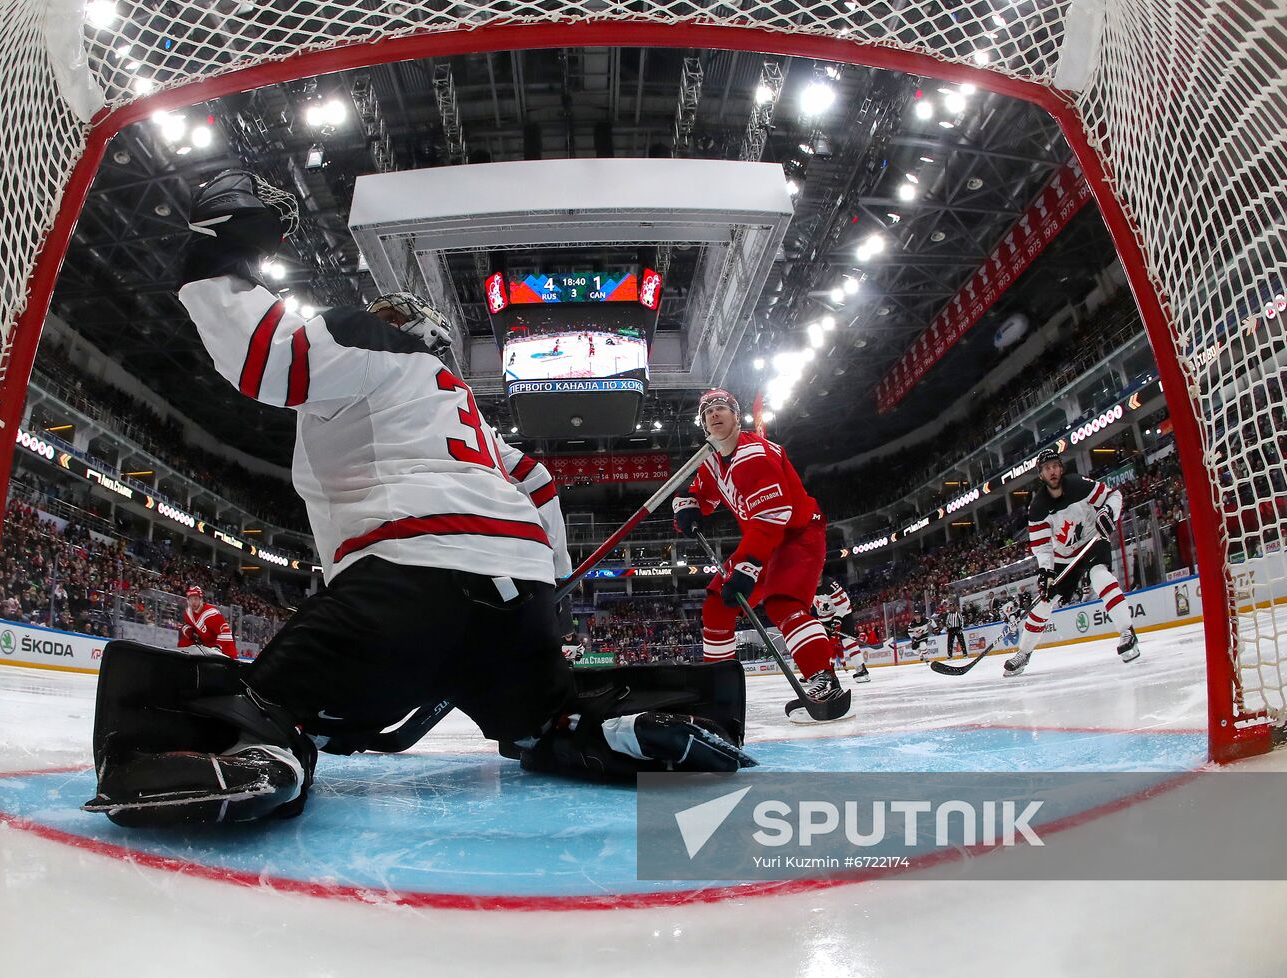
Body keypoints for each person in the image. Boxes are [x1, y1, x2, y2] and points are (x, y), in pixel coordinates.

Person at [84, 171, 752, 827]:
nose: (379, 314)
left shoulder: (363, 342)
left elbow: (263, 356)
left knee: (271, 703)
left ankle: (265, 751)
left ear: (405, 329)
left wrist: (221, 241)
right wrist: (549, 592)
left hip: (406, 580)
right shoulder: (470, 415)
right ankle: (613, 730)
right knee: (543, 726)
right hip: (517, 603)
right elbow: (541, 484)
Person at [672, 388, 848, 722]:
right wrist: (689, 506)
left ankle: (824, 680)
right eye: (708, 412)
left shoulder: (754, 452)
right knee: (717, 605)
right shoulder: (711, 459)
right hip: (764, 536)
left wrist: (749, 563)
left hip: (797, 533)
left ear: (737, 417)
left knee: (783, 603)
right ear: (703, 423)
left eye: (722, 408)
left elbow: (774, 512)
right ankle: (719, 690)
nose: (714, 414)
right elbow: (703, 494)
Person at [1004, 447, 1139, 677]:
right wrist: (1046, 572)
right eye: (1047, 468)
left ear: (1061, 468)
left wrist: (1107, 512)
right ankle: (1023, 653)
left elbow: (1113, 495)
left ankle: (1127, 632)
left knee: (1100, 577)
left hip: (1091, 541)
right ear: (1041, 475)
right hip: (1063, 557)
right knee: (1044, 602)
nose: (1052, 471)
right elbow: (1043, 546)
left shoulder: (1078, 485)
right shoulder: (1037, 508)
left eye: (1055, 466)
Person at [812, 576, 871, 683]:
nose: (818, 578)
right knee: (821, 643)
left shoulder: (830, 584)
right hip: (824, 617)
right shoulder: (807, 585)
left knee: (848, 640)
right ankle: (818, 672)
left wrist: (837, 619)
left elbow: (844, 604)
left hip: (843, 613)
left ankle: (861, 669)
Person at [176, 585, 239, 659]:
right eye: (191, 599)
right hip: (207, 651)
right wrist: (190, 632)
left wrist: (217, 649)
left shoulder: (211, 613)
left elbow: (225, 632)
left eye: (196, 599)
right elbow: (187, 626)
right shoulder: (188, 613)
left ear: (201, 599)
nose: (193, 602)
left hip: (226, 653)